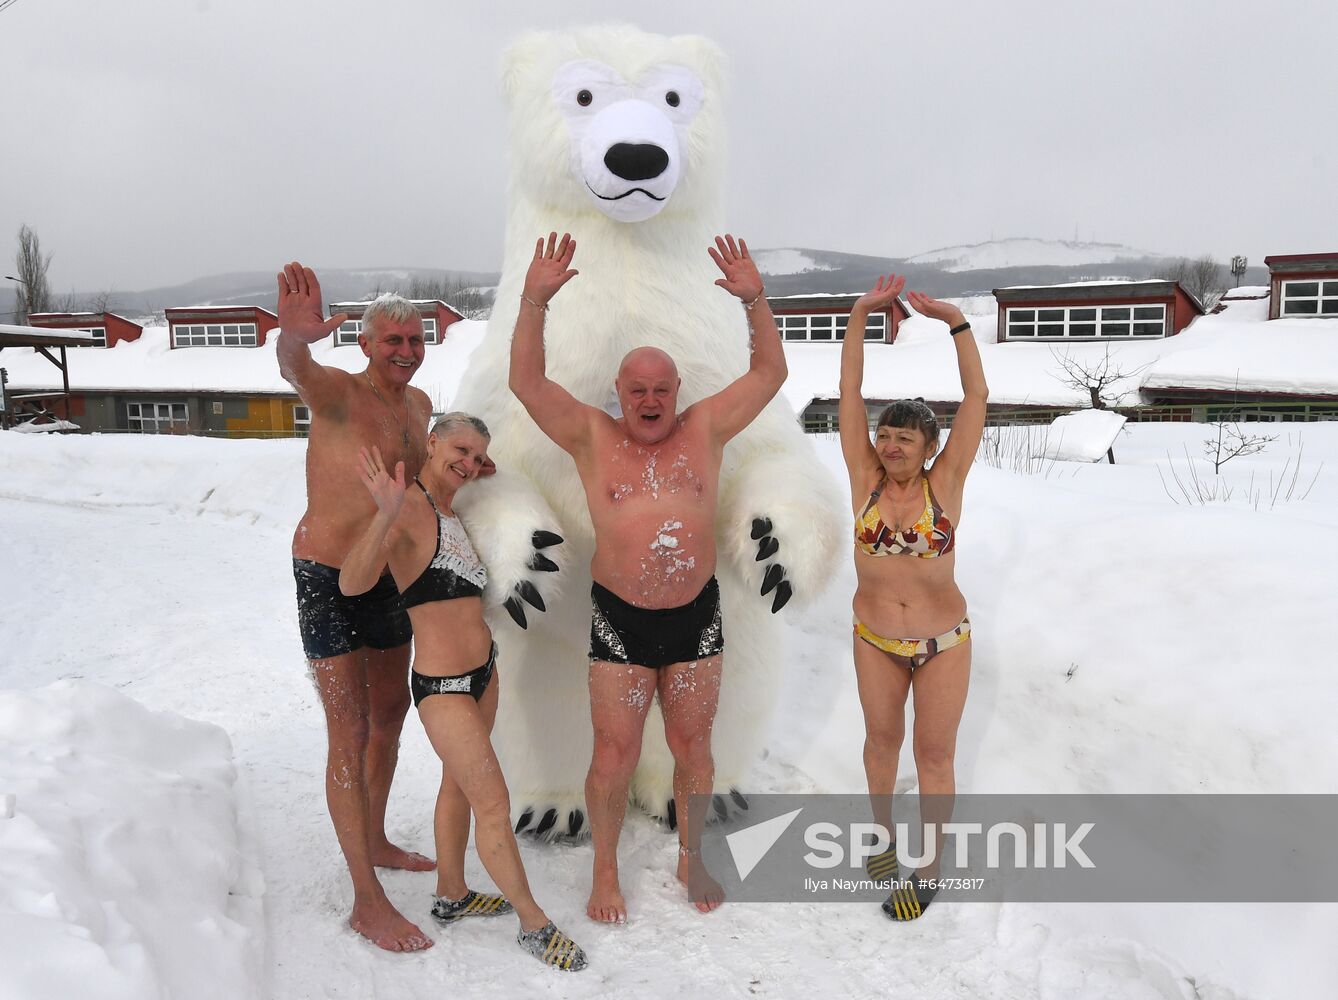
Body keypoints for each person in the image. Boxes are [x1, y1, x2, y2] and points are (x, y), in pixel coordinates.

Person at [508, 231, 787, 923]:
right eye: (639, 389)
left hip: (695, 618)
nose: (652, 399)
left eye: (662, 388)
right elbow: (527, 383)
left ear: (677, 391)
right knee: (613, 755)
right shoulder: (594, 437)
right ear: (620, 393)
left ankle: (693, 856)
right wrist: (534, 302)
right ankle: (605, 871)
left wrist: (756, 300)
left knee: (694, 749)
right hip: (621, 621)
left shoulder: (705, 428)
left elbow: (770, 377)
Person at [338, 415, 588, 971]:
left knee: (458, 787)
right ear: (431, 441)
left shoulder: (456, 507)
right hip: (443, 687)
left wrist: (477, 470)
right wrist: (383, 514)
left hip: (484, 673)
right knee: (493, 803)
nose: (470, 463)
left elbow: (474, 473)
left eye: (478, 456)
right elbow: (352, 583)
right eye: (459, 450)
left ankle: (451, 895)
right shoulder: (404, 507)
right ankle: (533, 923)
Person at [277, 264, 436, 952]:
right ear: (366, 345)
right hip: (326, 571)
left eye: (414, 338)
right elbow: (296, 369)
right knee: (348, 729)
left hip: (386, 578)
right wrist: (292, 338)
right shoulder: (339, 393)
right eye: (392, 340)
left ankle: (373, 838)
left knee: (390, 714)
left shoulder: (420, 407)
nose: (404, 350)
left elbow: (425, 476)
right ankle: (366, 903)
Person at [837, 275, 988, 921]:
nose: (891, 443)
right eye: (886, 434)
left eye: (906, 437)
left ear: (930, 449)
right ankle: (880, 838)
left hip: (942, 641)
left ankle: (928, 869)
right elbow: (849, 392)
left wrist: (956, 322)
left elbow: (977, 395)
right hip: (875, 637)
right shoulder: (863, 478)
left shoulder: (946, 483)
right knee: (879, 742)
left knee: (933, 755)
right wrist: (859, 314)